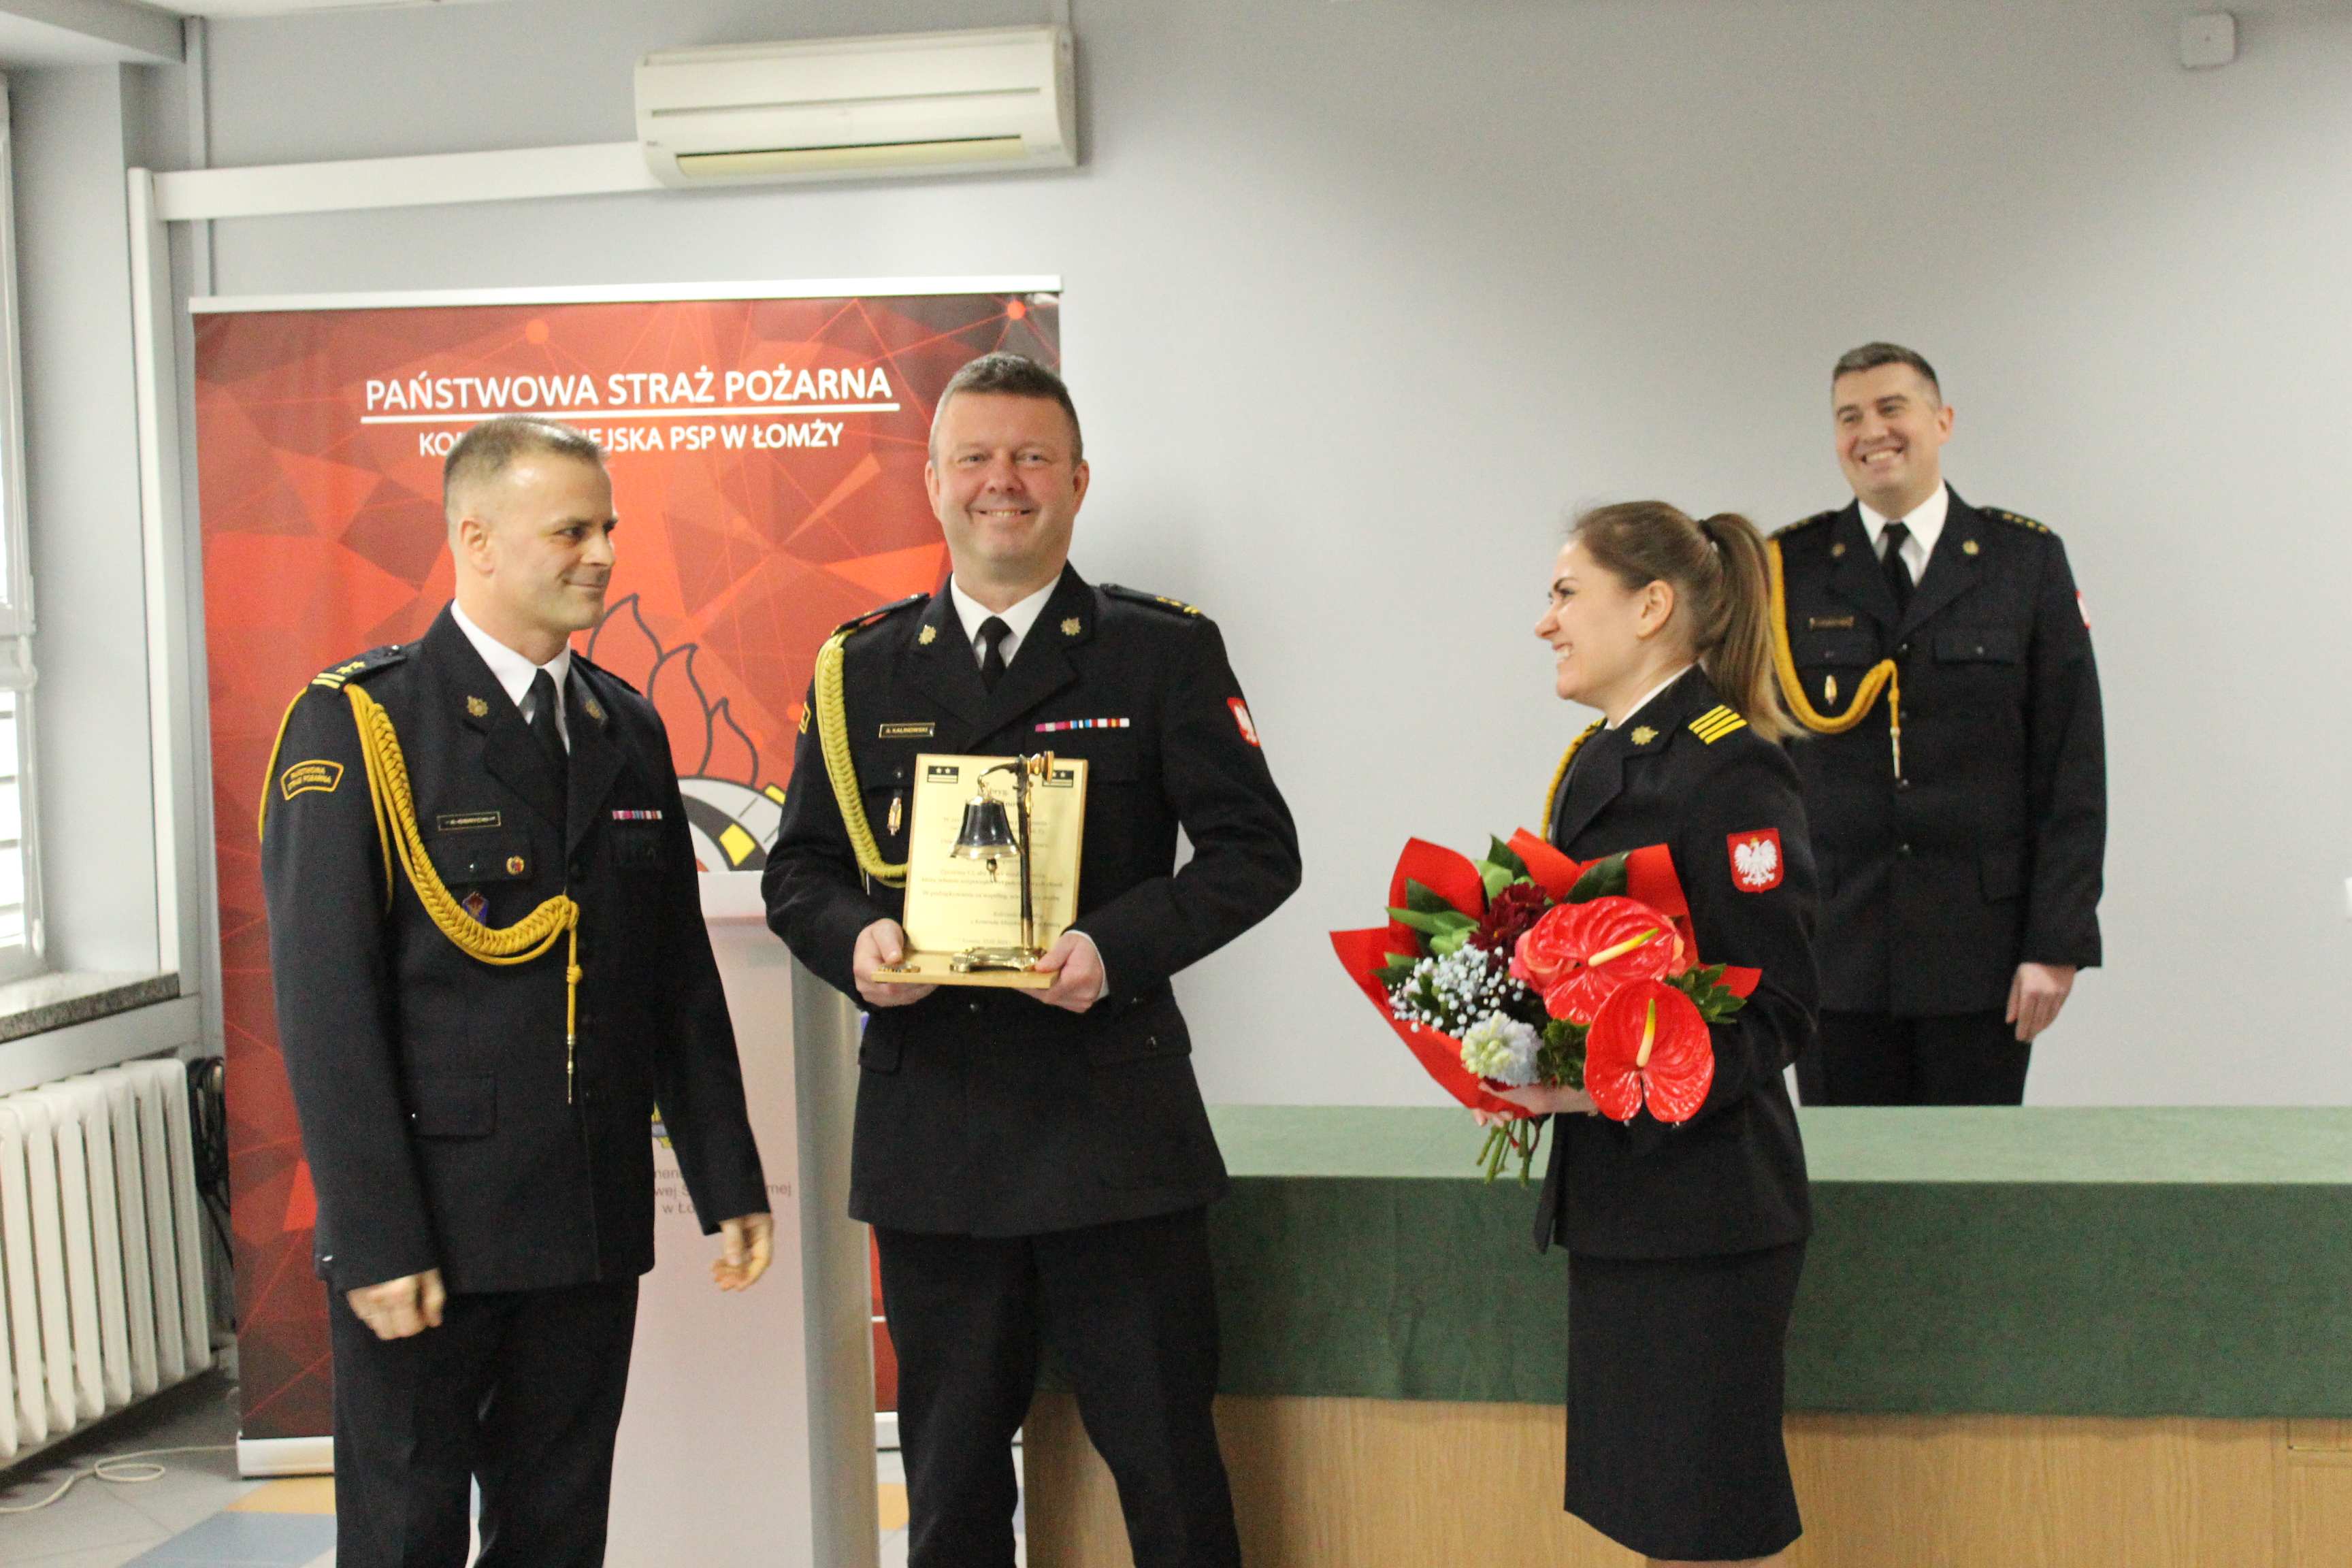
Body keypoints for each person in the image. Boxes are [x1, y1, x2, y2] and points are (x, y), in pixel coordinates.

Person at [763, 353, 1301, 1568]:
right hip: (936, 1136)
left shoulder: (1161, 652)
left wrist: (1116, 946)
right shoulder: (859, 667)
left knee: (1169, 1474)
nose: (1001, 481)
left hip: (1117, 1132)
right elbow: (799, 869)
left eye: (1030, 457)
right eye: (975, 457)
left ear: (1078, 481)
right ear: (933, 481)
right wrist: (857, 944)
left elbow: (1255, 853)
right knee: (951, 1490)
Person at [260, 416, 774, 1568]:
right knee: (407, 1534)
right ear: (477, 539)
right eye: (571, 530)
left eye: (608, 528)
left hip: (584, 1216)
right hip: (429, 1225)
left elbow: (672, 980)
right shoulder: (361, 724)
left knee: (559, 1533)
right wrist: (375, 1234)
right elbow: (327, 1010)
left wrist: (726, 1174)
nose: (602, 554)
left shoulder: (625, 725)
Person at [1484, 502, 1816, 1567]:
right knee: (1653, 1524)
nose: (1546, 621)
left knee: (1704, 1528)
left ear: (1651, 607)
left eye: (1566, 593)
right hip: (1627, 1205)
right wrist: (1520, 1045)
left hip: (1706, 1212)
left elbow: (1776, 1011)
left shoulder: (1732, 770)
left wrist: (1606, 1085)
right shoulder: (1603, 757)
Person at [1771, 342, 2104, 1105]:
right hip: (1834, 953)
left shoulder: (2024, 561)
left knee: (1972, 1172)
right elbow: (1759, 765)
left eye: (1892, 408)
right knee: (1850, 1172)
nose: (1871, 432)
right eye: (1849, 417)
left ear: (1942, 421)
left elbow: (2072, 766)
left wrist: (2057, 944)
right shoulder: (1787, 568)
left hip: (1981, 953)